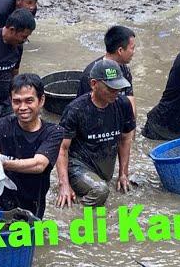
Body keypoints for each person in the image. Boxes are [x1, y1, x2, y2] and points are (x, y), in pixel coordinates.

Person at [0, 74, 64, 219]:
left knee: (26, 240)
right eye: (17, 101)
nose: (23, 107)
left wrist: (2, 163)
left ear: (41, 100)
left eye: (29, 101)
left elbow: (39, 165)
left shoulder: (54, 132)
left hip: (31, 205)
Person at [56, 60, 135, 208]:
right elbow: (62, 148)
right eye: (111, 88)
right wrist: (64, 185)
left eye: (118, 88)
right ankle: (76, 213)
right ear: (94, 84)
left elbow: (125, 139)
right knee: (100, 190)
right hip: (78, 166)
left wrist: (123, 174)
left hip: (103, 167)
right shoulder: (76, 109)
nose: (116, 93)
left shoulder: (123, 105)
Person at [77, 25, 137, 121]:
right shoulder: (92, 74)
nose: (134, 52)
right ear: (120, 50)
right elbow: (82, 110)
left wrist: (130, 127)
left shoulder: (124, 69)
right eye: (132, 48)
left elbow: (130, 101)